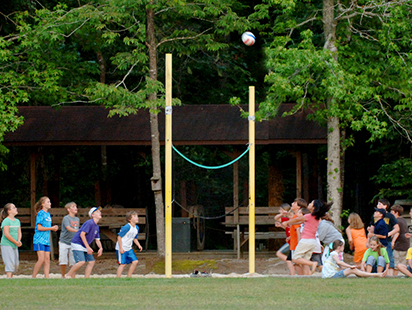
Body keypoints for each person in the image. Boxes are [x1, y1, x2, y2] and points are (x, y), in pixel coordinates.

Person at [282, 199, 331, 275]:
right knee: (304, 262)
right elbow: (300, 221)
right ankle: (307, 277)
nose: (309, 203)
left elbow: (298, 219)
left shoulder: (309, 216)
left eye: (311, 203)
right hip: (312, 242)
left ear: (313, 208)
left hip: (305, 240)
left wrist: (287, 222)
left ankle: (313, 263)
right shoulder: (316, 217)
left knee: (295, 259)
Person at [66, 207, 103, 278]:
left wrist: (100, 248)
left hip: (84, 245)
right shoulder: (89, 223)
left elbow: (97, 239)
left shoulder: (97, 227)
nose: (100, 213)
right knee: (81, 262)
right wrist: (88, 247)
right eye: (97, 212)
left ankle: (86, 278)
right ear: (93, 215)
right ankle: (68, 275)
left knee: (91, 262)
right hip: (77, 243)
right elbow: (82, 234)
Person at [322, 239, 386, 278]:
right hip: (330, 276)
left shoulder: (333, 253)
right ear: (339, 247)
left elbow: (341, 266)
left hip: (330, 275)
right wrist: (350, 266)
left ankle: (369, 275)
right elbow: (339, 262)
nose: (343, 248)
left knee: (353, 270)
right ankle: (375, 275)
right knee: (352, 270)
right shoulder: (334, 253)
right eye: (343, 246)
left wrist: (352, 267)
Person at [367, 199, 399, 276]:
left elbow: (397, 228)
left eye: (380, 204)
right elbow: (371, 231)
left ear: (385, 206)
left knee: (389, 259)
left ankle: (389, 275)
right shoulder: (374, 216)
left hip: (386, 241)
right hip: (375, 241)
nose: (378, 206)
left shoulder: (390, 216)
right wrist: (368, 240)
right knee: (376, 258)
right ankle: (377, 274)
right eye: (378, 204)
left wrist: (387, 234)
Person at [276, 198, 307, 275]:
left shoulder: (296, 217)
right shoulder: (295, 218)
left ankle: (302, 277)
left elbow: (298, 230)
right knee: (298, 263)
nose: (292, 203)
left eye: (294, 203)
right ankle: (302, 277)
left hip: (296, 244)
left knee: (299, 263)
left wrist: (299, 243)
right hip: (294, 243)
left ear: (298, 207)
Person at [32, 196, 59, 278]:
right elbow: (39, 227)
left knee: (47, 259)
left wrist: (53, 228)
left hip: (46, 240)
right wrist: (51, 228)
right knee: (41, 259)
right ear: (43, 204)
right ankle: (33, 276)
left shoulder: (48, 214)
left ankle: (46, 277)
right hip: (39, 239)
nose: (50, 203)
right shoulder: (40, 213)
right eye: (48, 202)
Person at [116, 211, 143, 277]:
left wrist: (139, 245)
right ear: (129, 219)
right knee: (122, 264)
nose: (137, 218)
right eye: (134, 216)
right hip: (122, 247)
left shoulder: (136, 228)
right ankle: (117, 278)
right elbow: (119, 237)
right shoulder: (127, 227)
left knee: (135, 262)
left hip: (129, 248)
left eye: (137, 216)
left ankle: (129, 277)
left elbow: (134, 238)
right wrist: (121, 248)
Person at [59, 202, 80, 278]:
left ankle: (72, 276)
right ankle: (63, 275)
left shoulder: (77, 219)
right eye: (73, 207)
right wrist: (78, 231)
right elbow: (68, 228)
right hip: (64, 242)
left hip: (73, 242)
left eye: (76, 206)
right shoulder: (66, 218)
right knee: (63, 260)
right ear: (68, 209)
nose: (75, 208)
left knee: (73, 261)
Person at [0, 203, 22, 278]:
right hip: (6, 244)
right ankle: (9, 278)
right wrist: (15, 242)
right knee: (9, 262)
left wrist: (18, 240)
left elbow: (19, 232)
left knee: (15, 264)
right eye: (13, 207)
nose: (16, 209)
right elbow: (6, 234)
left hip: (15, 244)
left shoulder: (17, 221)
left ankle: (11, 278)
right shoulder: (6, 221)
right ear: (9, 211)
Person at [274, 203, 294, 275]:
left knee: (279, 253)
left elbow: (276, 218)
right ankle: (291, 264)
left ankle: (291, 264)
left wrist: (282, 214)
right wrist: (281, 226)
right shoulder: (287, 220)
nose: (279, 211)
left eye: (281, 210)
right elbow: (288, 228)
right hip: (290, 240)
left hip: (291, 241)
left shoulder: (290, 220)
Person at [390, 204, 409, 275]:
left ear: (396, 213)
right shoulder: (403, 220)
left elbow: (397, 232)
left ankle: (395, 276)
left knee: (396, 263)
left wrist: (392, 242)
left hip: (399, 245)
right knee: (403, 263)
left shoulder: (397, 221)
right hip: (406, 245)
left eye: (392, 213)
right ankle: (403, 276)